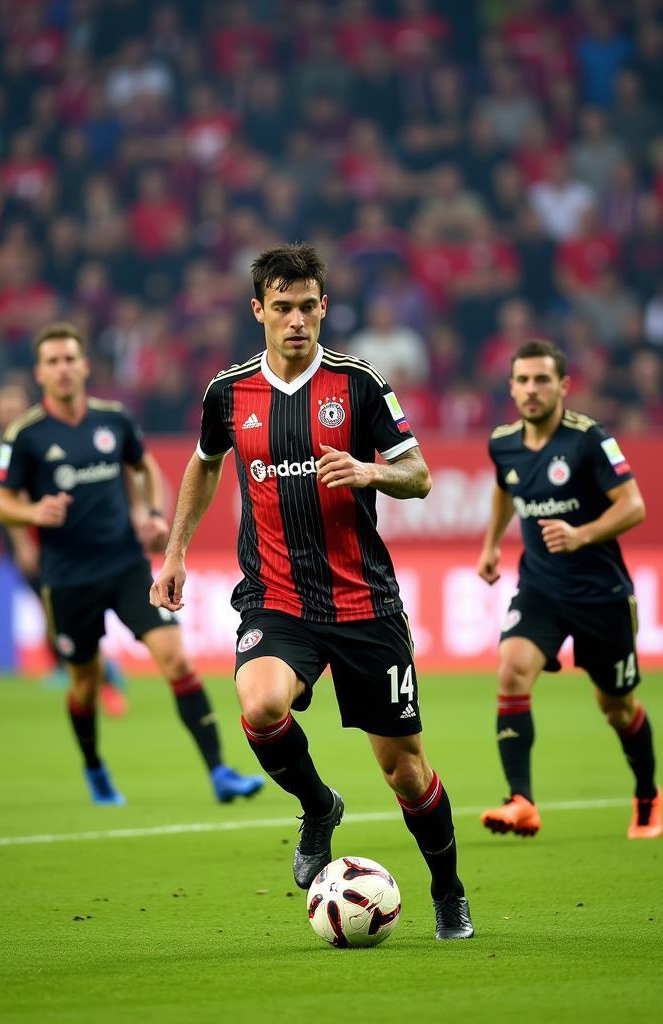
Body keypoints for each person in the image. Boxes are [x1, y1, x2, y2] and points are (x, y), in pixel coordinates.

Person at [150, 243, 474, 941]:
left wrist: (367, 470)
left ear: (324, 307)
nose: (297, 320)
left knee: (407, 773)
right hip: (276, 596)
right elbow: (204, 466)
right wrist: (175, 550)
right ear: (258, 309)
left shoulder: (359, 384)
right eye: (283, 307)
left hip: (364, 604)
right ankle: (319, 804)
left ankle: (448, 890)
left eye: (309, 307)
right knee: (261, 704)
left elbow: (418, 475)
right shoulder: (227, 392)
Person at [0, 323, 264, 806]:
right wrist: (33, 512)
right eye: (53, 361)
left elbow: (144, 466)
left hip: (126, 567)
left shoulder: (113, 421)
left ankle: (220, 770)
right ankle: (95, 767)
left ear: (85, 365)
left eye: (70, 358)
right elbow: (1, 503)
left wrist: (151, 512)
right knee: (85, 683)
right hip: (68, 578)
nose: (63, 368)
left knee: (176, 658)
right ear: (40, 372)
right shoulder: (25, 436)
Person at [476, 339, 663, 841]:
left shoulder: (588, 439)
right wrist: (492, 545)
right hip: (540, 588)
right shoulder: (504, 442)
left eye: (541, 380)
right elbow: (505, 487)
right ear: (511, 387)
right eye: (522, 380)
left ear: (563, 385)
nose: (531, 390)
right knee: (511, 669)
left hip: (600, 594)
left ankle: (647, 793)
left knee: (616, 707)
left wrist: (581, 533)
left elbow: (634, 505)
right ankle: (522, 801)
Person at [0, 383, 129, 718]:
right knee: (52, 610)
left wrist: (25, 543)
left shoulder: (39, 438)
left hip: (54, 542)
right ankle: (78, 666)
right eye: (3, 406)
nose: (9, 412)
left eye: (14, 404)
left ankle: (96, 672)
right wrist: (1, 543)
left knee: (65, 610)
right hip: (27, 540)